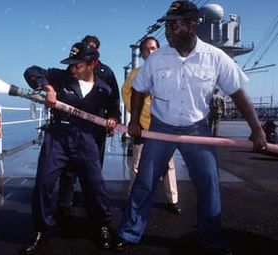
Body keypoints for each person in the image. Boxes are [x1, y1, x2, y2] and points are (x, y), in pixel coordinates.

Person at [113, 1, 267, 255]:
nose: (168, 31)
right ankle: (130, 232)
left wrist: (257, 129)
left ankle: (212, 241)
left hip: (196, 129)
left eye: (173, 25)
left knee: (209, 183)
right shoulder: (157, 59)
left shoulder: (215, 57)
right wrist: (133, 121)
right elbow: (139, 89)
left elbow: (239, 93)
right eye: (168, 25)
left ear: (192, 26)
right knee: (145, 181)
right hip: (162, 127)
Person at [21, 42, 120, 254]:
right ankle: (41, 230)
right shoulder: (59, 77)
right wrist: (47, 88)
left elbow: (113, 106)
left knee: (95, 186)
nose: (73, 68)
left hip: (86, 138)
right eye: (71, 64)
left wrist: (112, 118)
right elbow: (31, 71)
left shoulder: (104, 88)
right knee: (44, 183)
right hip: (58, 136)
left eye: (78, 65)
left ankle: (102, 226)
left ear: (92, 64)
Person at [57, 35, 121, 216]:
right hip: (72, 126)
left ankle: (92, 207)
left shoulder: (106, 72)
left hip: (96, 128)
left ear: (97, 51)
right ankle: (63, 206)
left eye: (92, 47)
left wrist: (113, 119)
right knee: (69, 169)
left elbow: (113, 99)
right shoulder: (74, 68)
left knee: (94, 170)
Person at [121, 36, 181, 215]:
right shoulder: (135, 74)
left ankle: (173, 200)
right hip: (143, 126)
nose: (151, 52)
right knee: (137, 165)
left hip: (164, 127)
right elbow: (127, 97)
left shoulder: (169, 72)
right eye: (147, 49)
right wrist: (136, 121)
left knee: (168, 165)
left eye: (154, 48)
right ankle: (134, 198)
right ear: (142, 53)